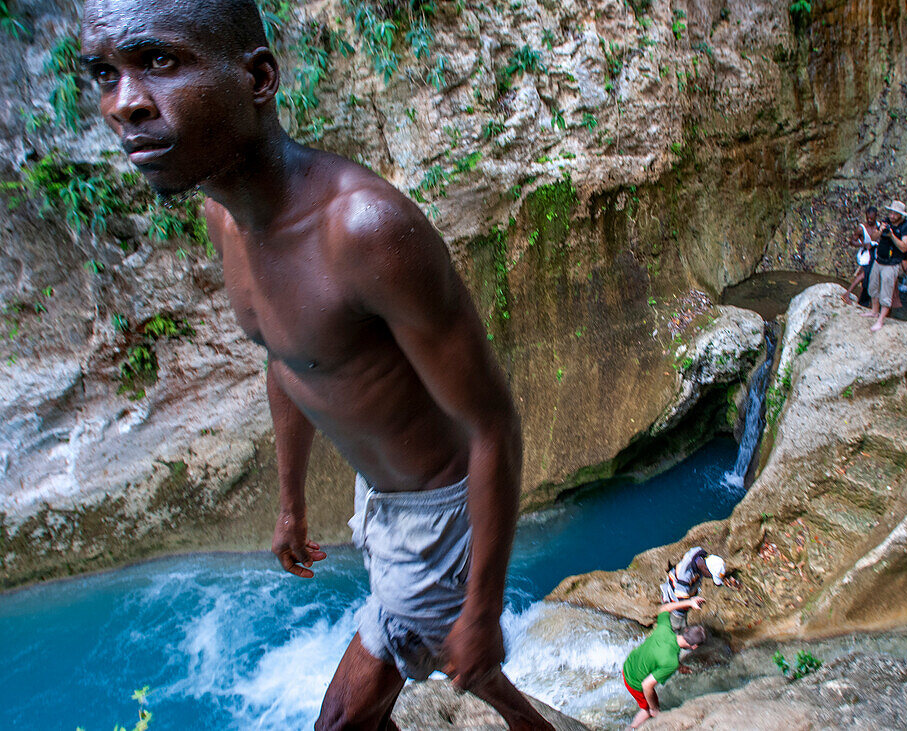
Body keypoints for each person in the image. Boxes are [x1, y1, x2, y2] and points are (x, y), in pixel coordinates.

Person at [80, 2, 554, 729]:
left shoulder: (365, 231)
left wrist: (484, 608)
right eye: (105, 74)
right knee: (454, 667)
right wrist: (290, 501)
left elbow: (494, 425)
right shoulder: (224, 218)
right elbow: (287, 359)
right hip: (384, 499)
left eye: (160, 62)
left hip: (439, 510)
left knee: (344, 719)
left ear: (258, 77)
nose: (125, 103)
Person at [622, 599, 707, 729]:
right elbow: (646, 685)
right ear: (694, 646)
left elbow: (664, 608)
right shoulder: (671, 662)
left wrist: (689, 602)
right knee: (647, 711)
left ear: (685, 631)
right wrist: (654, 709)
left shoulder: (665, 629)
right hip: (633, 681)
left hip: (628, 665)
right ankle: (631, 728)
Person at [864, 201, 907, 332]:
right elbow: (873, 237)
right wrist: (881, 230)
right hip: (879, 260)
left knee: (886, 293)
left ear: (901, 215)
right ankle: (874, 311)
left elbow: (904, 247)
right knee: (873, 286)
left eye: (895, 214)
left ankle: (881, 320)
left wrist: (892, 235)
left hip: (892, 264)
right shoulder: (885, 221)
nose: (892, 216)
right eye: (891, 213)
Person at [660, 547, 731, 630]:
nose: (710, 578)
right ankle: (676, 632)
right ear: (705, 569)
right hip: (674, 599)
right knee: (677, 624)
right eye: (711, 576)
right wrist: (691, 602)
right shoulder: (684, 576)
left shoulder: (700, 554)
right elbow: (681, 601)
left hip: (682, 588)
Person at [841, 206, 881, 306]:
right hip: (865, 255)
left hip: (875, 254)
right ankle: (847, 294)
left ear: (876, 216)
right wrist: (863, 244)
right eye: (868, 218)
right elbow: (852, 241)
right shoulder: (861, 228)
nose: (870, 220)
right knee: (863, 275)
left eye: (872, 218)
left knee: (868, 278)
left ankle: (863, 301)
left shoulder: (879, 226)